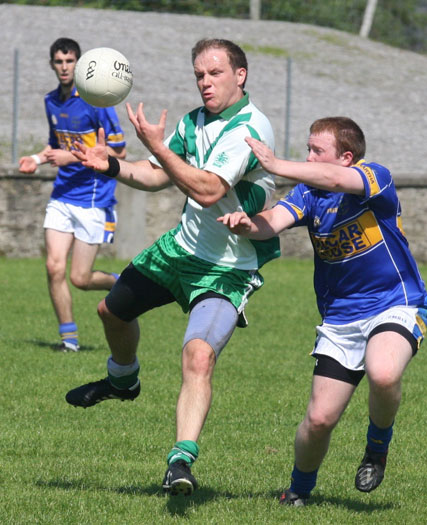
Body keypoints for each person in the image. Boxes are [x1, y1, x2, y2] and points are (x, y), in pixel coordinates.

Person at [65, 38, 280, 495]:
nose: (205, 82)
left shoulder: (250, 128)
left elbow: (205, 188)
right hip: (178, 251)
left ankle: (181, 460)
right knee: (110, 312)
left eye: (215, 73)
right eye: (199, 74)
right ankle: (123, 382)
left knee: (198, 356)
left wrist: (160, 148)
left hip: (226, 269)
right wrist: (113, 166)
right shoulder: (193, 121)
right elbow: (156, 175)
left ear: (240, 75)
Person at [218, 116, 427, 505]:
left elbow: (335, 180)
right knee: (318, 420)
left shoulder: (375, 177)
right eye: (308, 148)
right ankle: (299, 490)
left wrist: (275, 163)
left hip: (395, 302)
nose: (309, 157)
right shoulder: (307, 194)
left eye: (317, 151)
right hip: (340, 319)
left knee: (383, 373)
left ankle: (376, 448)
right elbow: (272, 223)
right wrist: (247, 225)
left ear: (346, 157)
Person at [19, 37, 126, 352]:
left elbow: (118, 149)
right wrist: (37, 159)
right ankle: (69, 341)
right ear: (52, 64)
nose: (64, 67)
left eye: (69, 61)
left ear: (79, 64)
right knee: (53, 266)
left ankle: (124, 282)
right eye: (59, 61)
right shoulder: (51, 101)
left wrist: (75, 156)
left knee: (81, 278)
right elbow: (55, 143)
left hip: (94, 198)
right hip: (63, 195)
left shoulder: (97, 100)